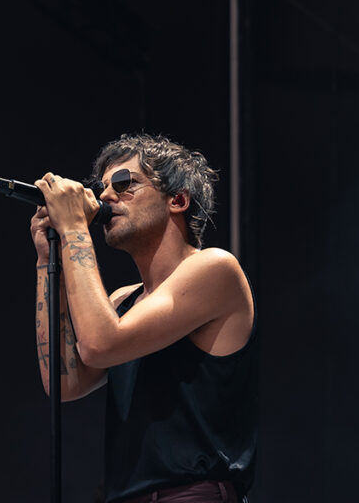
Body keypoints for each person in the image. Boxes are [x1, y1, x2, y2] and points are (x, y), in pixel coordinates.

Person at [32, 133, 257, 503]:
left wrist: (74, 228)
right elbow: (64, 381)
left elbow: (101, 344)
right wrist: (46, 260)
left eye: (124, 183)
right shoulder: (123, 301)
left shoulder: (215, 269)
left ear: (178, 200)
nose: (105, 197)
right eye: (100, 188)